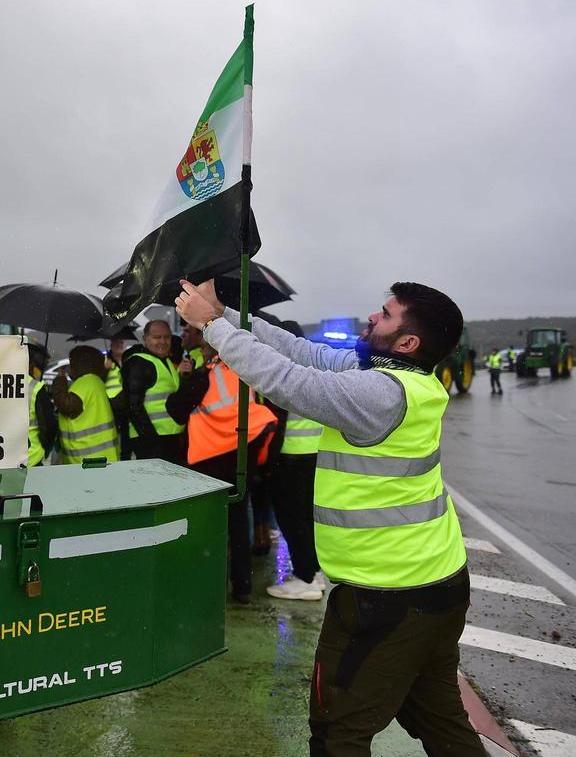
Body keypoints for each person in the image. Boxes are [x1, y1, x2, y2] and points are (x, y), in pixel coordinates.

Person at [176, 278, 483, 757]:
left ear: (408, 342)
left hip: (388, 597)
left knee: (337, 732)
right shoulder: (399, 376)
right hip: (434, 583)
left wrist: (211, 326)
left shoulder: (381, 394)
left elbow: (288, 380)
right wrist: (228, 314)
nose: (372, 317)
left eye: (384, 314)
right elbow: (301, 352)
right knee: (443, 724)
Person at [172, 343, 277, 603]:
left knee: (208, 525)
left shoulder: (205, 375)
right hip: (242, 458)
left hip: (209, 460)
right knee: (239, 522)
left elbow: (174, 410)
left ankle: (208, 585)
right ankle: (242, 587)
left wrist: (185, 380)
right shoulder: (248, 371)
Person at [265, 322, 327, 601]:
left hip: (290, 457)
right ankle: (314, 572)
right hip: (314, 455)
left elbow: (274, 418)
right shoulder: (315, 371)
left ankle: (305, 578)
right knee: (306, 518)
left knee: (292, 520)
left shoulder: (283, 373)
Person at [123, 320, 192, 463]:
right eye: (157, 337)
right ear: (145, 339)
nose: (163, 341)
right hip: (152, 441)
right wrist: (150, 439)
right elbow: (132, 405)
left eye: (167, 337)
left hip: (169, 438)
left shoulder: (165, 361)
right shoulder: (138, 362)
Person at [50, 345, 119, 464]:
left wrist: (60, 381)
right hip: (101, 457)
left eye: (71, 362)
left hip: (88, 459)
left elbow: (67, 406)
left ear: (79, 365)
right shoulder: (95, 382)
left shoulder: (85, 383)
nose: (69, 368)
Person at [25, 344, 58, 467]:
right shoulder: (34, 387)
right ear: (31, 363)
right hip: (31, 459)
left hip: (2, 460)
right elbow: (48, 427)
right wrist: (46, 446)